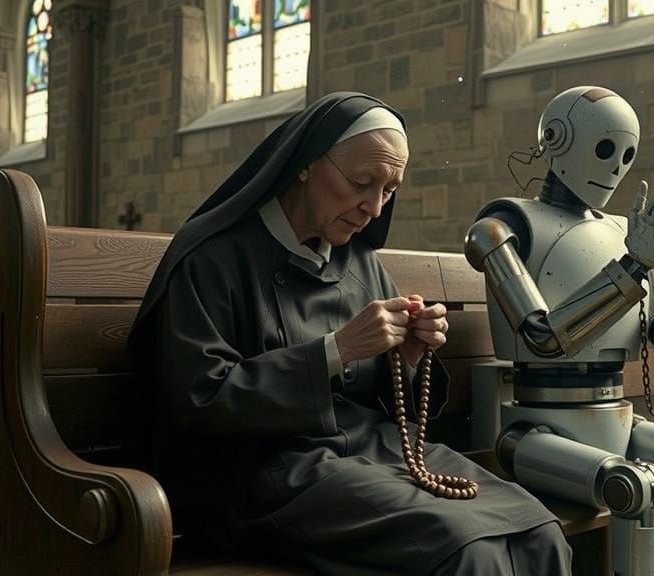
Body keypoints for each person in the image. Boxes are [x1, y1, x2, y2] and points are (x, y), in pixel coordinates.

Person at [127, 92, 572, 575]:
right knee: (469, 551)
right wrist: (336, 350)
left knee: (538, 533)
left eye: (389, 190)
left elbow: (390, 399)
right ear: (305, 164)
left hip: (375, 451)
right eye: (362, 183)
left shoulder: (360, 261)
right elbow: (200, 398)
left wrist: (409, 353)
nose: (374, 209)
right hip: (267, 473)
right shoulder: (212, 257)